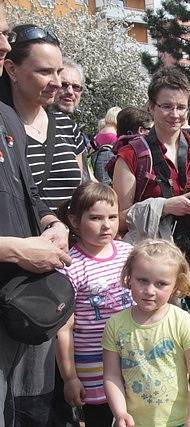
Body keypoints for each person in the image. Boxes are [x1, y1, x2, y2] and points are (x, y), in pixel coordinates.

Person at [110, 67, 190, 426]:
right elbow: (117, 218)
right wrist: (166, 206)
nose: (175, 114)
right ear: (152, 108)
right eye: (167, 106)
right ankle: (158, 407)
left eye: (181, 107)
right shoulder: (132, 153)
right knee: (158, 342)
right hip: (153, 266)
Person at [0, 8, 72, 424]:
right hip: (21, 269)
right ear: (12, 70)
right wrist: (15, 249)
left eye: (7, 33)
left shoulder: (6, 119)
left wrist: (52, 224)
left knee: (31, 406)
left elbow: (29, 194)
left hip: (28, 294)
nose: (5, 43)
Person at [102, 240, 190, 427]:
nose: (150, 291)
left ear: (176, 285)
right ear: (129, 277)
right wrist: (120, 413)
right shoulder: (115, 324)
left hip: (177, 421)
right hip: (133, 422)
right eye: (143, 280)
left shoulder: (185, 323)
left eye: (161, 284)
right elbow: (112, 375)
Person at [56, 182, 134, 426]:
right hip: (92, 365)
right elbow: (64, 329)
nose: (107, 225)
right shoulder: (70, 265)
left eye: (112, 216)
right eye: (96, 218)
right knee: (99, 419)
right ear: (75, 220)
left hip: (131, 356)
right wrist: (70, 378)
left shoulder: (128, 253)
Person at [1, 24, 85, 211]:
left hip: (68, 237)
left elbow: (81, 194)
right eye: (45, 72)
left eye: (58, 72)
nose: (56, 83)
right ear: (12, 70)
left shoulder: (67, 127)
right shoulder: (3, 130)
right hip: (23, 238)